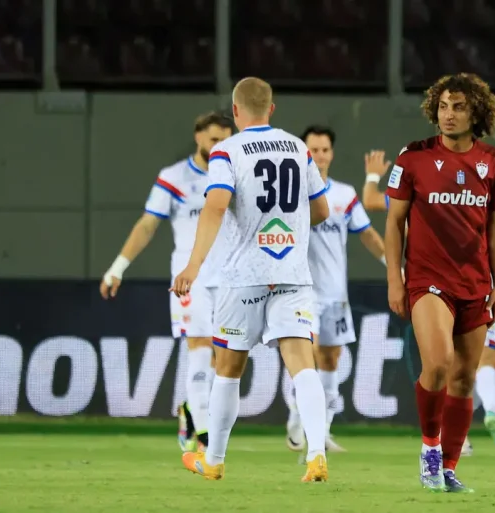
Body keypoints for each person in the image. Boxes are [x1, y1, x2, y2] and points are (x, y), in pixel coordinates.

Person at [171, 77, 331, 482]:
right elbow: (322, 210)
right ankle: (316, 455)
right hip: (291, 273)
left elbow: (216, 206)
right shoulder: (297, 147)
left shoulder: (227, 150)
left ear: (235, 111)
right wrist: (289, 231)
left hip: (242, 276)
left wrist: (193, 265)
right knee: (303, 366)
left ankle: (214, 460)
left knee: (228, 370)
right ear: (271, 109)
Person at [364, 148, 495, 459]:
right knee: (482, 362)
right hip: (471, 285)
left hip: (434, 286)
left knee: (446, 365)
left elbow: (372, 200)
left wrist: (373, 175)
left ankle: (449, 437)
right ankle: (483, 417)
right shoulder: (478, 184)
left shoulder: (420, 189)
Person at [385, 73, 495, 493]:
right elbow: (394, 222)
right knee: (437, 364)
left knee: (464, 379)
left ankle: (450, 468)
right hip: (427, 279)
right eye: (443, 106)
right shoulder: (413, 157)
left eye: (458, 107)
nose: (448, 114)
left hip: (474, 283)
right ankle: (430, 450)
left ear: (476, 113)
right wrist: (395, 279)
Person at [99, 111, 233, 453]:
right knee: (199, 345)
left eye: (226, 140)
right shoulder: (174, 178)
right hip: (190, 276)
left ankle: (190, 408)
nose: (220, 146)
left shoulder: (237, 174)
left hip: (231, 275)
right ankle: (204, 436)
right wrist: (118, 267)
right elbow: (147, 225)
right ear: (198, 137)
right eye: (214, 139)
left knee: (226, 358)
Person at [284, 125, 387, 455]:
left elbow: (367, 233)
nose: (319, 155)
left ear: (331, 154)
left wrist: (392, 265)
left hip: (335, 293)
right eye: (313, 150)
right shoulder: (289, 194)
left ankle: (322, 430)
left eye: (324, 150)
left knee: (330, 359)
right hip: (301, 291)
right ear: (303, 153)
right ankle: (298, 414)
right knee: (307, 354)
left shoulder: (344, 195)